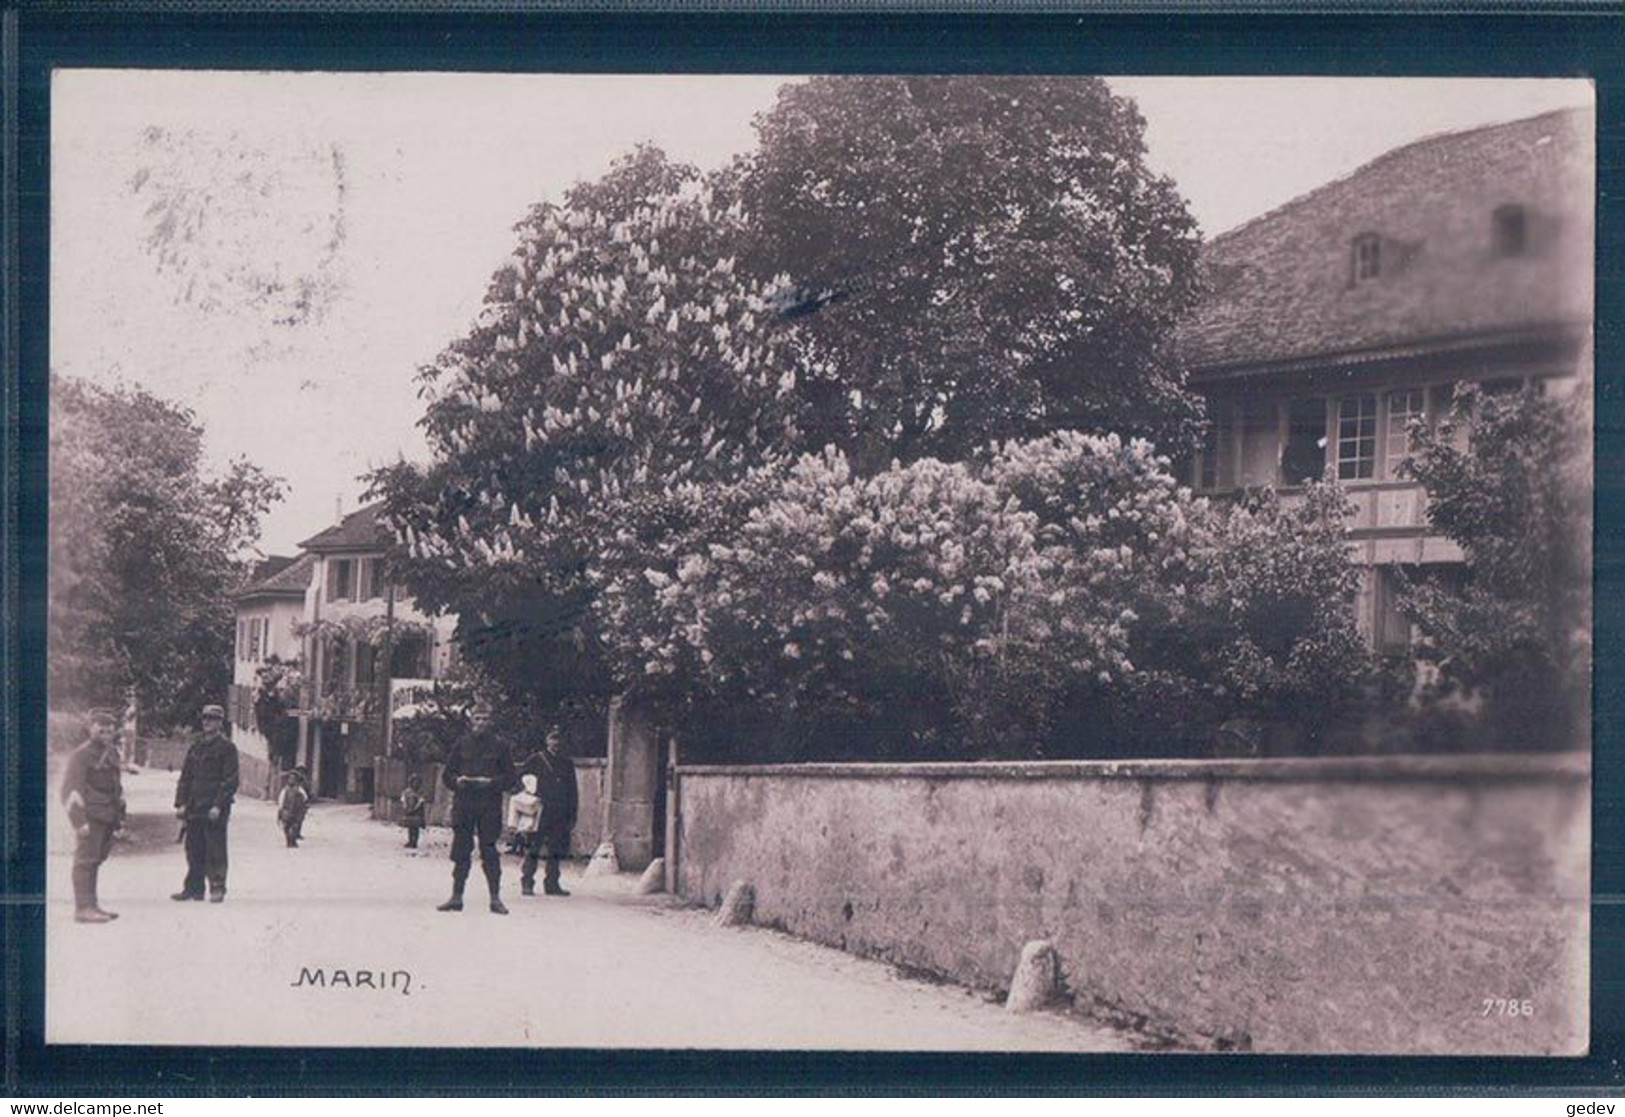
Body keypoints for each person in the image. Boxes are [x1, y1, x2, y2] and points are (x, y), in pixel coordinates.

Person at [437, 700, 519, 914]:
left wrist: (491, 783)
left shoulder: (501, 747)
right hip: (464, 804)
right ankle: (456, 897)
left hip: (489, 805)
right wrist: (458, 782)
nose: (481, 723)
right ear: (470, 720)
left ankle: (495, 899)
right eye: (477, 718)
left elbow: (511, 778)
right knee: (461, 851)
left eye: (485, 719)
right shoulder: (461, 744)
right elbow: (447, 775)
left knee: (489, 851)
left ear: (491, 722)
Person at [60, 708, 127, 923]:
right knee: (85, 861)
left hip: (107, 813)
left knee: (95, 860)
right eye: (100, 726)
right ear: (91, 728)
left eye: (109, 727)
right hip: (91, 815)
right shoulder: (82, 755)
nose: (106, 730)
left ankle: (92, 905)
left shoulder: (111, 752)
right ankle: (83, 909)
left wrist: (119, 816)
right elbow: (70, 792)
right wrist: (79, 822)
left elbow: (115, 786)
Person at [171, 704, 239, 903]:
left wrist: (218, 805)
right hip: (195, 805)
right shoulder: (196, 747)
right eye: (205, 718)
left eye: (212, 719)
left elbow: (230, 780)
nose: (207, 722)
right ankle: (194, 889)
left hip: (214, 808)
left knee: (215, 848)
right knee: (193, 849)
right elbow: (185, 777)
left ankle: (217, 888)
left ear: (220, 723)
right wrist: (180, 803)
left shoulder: (227, 748)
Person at [520, 725, 578, 898]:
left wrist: (572, 813)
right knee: (533, 847)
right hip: (539, 810)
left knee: (556, 848)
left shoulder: (567, 763)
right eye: (552, 738)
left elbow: (572, 790)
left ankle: (552, 884)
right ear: (546, 740)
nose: (555, 743)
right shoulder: (535, 760)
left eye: (558, 739)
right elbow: (522, 781)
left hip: (559, 811)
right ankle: (527, 882)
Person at [506, 774, 541, 854]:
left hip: (531, 805)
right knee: (521, 823)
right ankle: (518, 846)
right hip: (528, 806)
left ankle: (519, 846)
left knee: (524, 823)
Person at [277, 767, 310, 848]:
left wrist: (280, 810)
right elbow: (305, 800)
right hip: (291, 812)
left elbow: (281, 801)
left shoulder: (289, 790)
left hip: (290, 811)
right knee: (290, 826)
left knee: (289, 826)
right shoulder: (296, 790)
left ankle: (291, 841)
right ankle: (291, 841)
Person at [400, 773, 428, 849]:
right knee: (410, 827)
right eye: (414, 781)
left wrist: (415, 808)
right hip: (409, 811)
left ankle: (414, 842)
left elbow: (421, 801)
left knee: (416, 827)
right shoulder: (407, 791)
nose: (415, 783)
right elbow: (403, 799)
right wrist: (405, 807)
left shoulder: (420, 792)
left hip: (417, 812)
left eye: (417, 782)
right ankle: (410, 841)